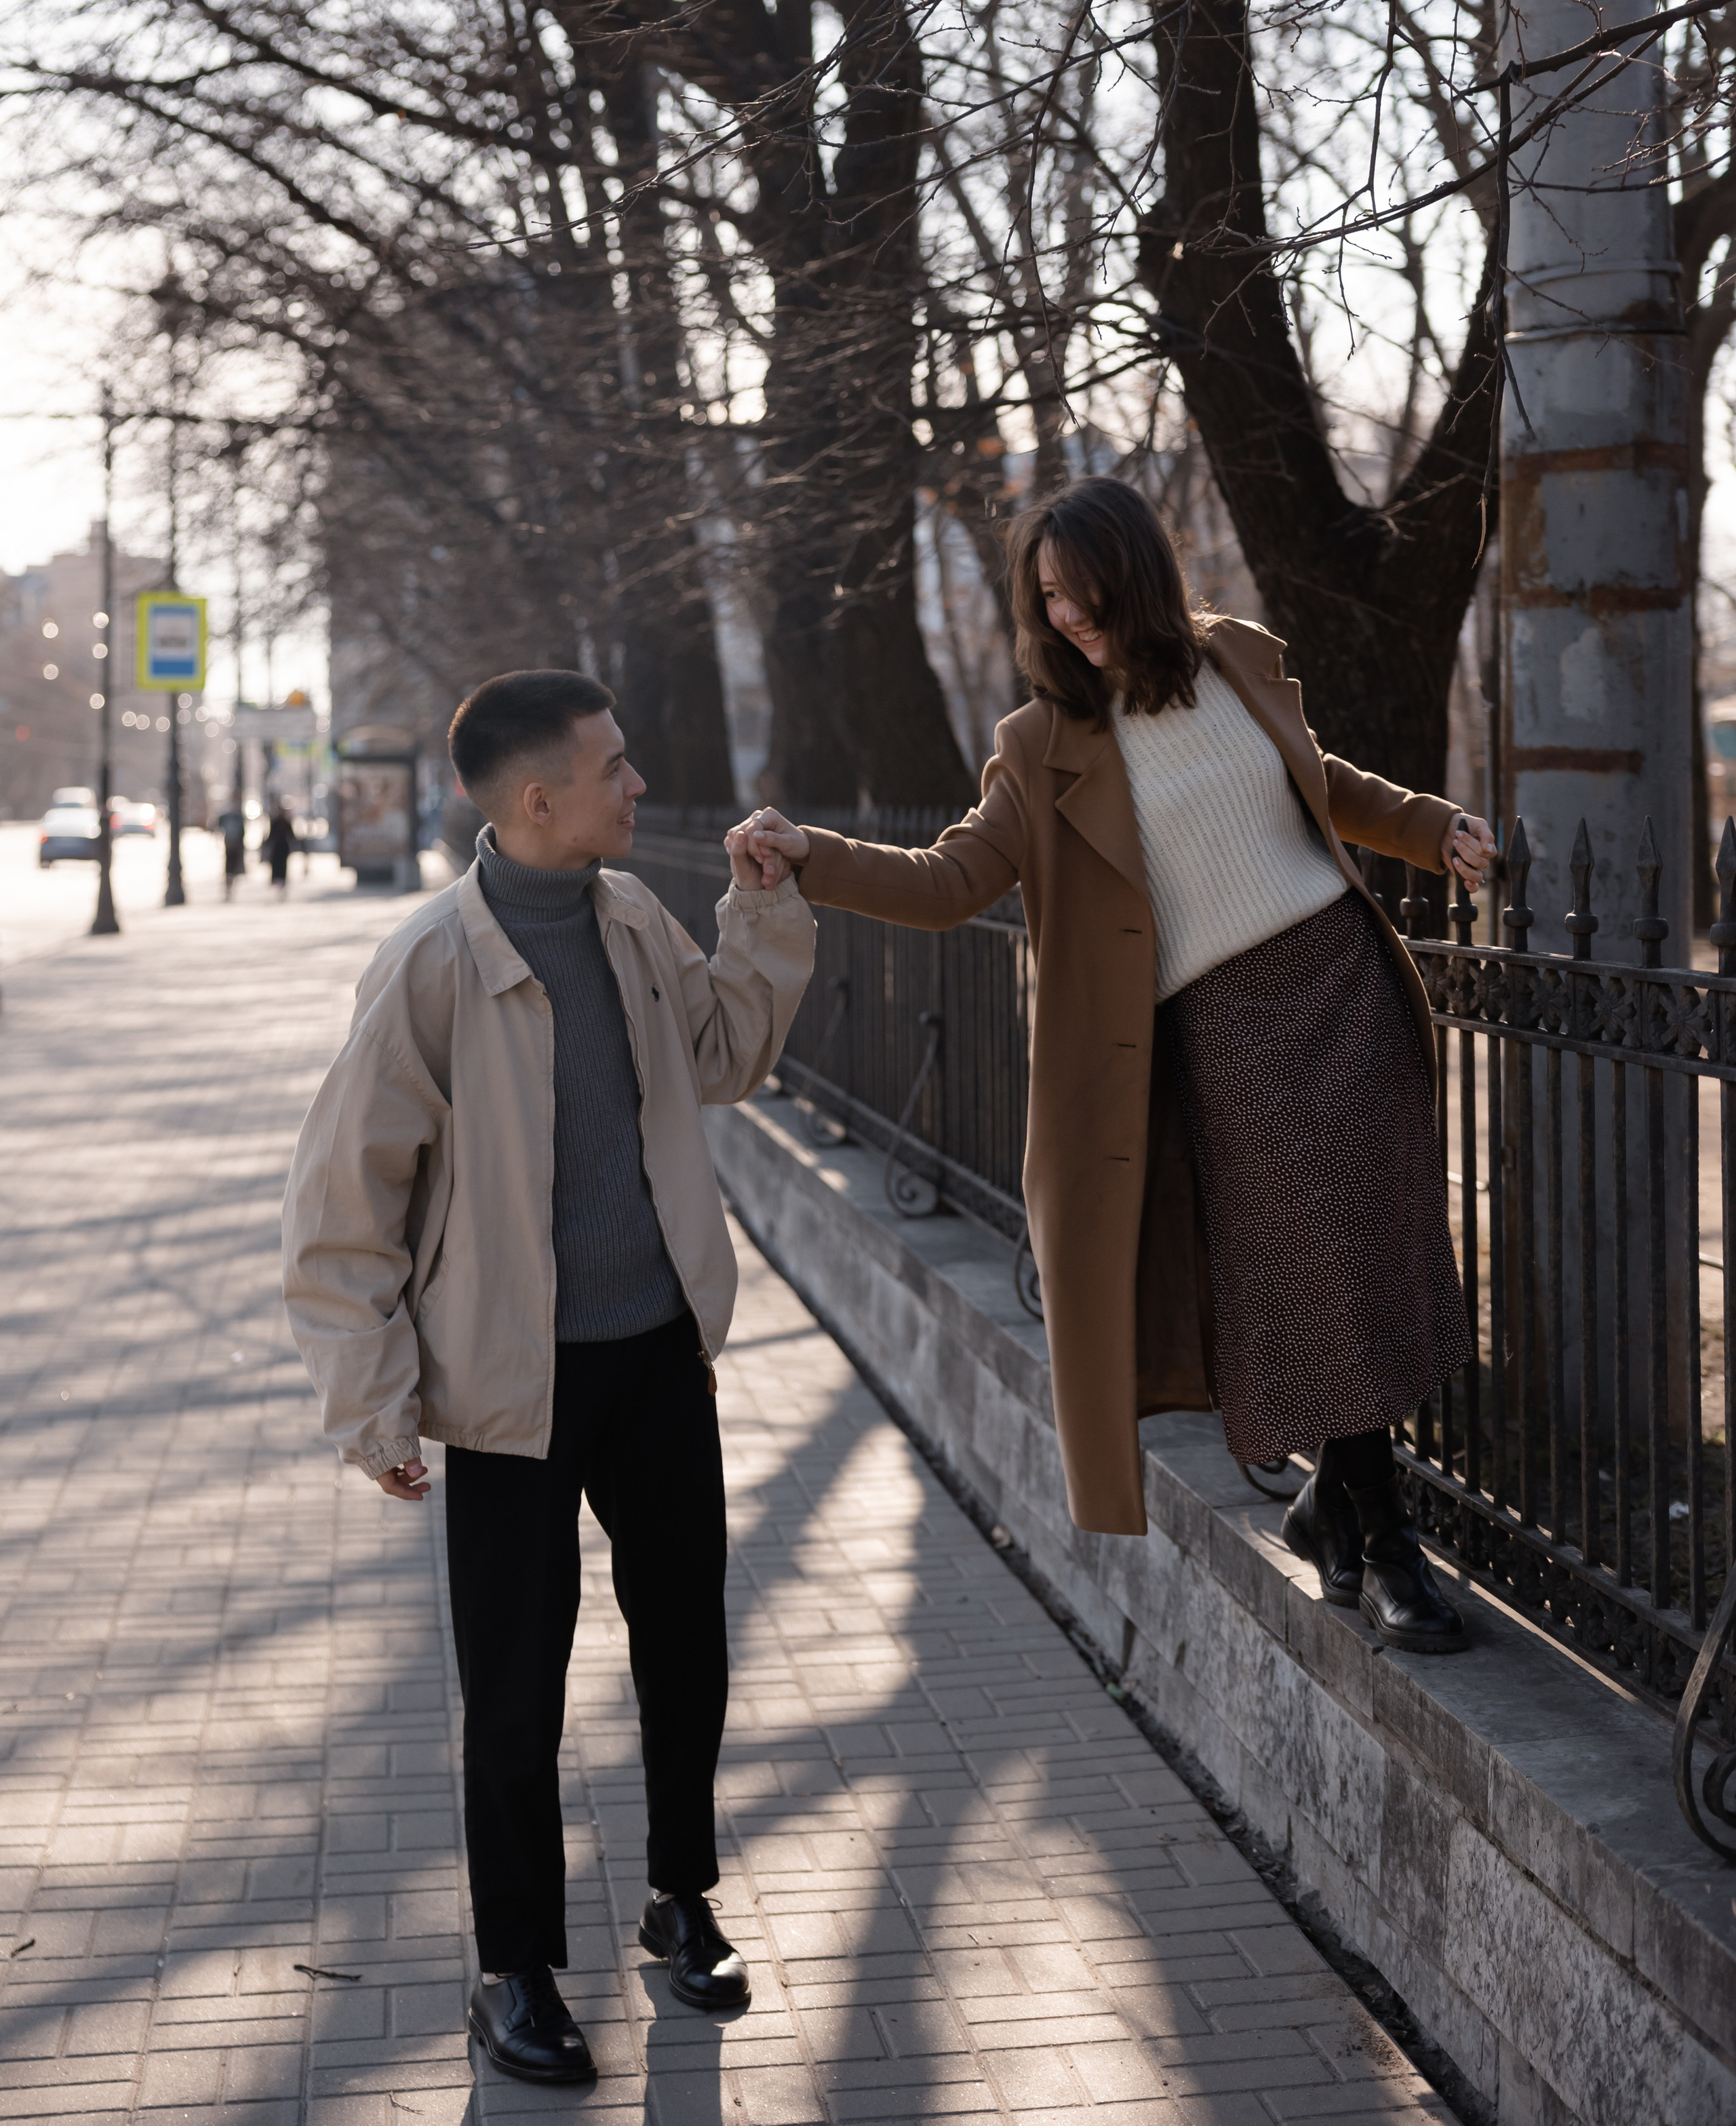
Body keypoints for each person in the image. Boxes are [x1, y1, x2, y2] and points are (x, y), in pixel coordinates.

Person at [738, 476, 1494, 1656]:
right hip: (1227, 1029)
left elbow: (1321, 782)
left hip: (1345, 987)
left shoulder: (1238, 657)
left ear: (1138, 579)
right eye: (1049, 600)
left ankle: (1335, 1509)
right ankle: (1387, 1544)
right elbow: (949, 881)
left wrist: (1427, 824)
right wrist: (811, 857)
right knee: (1320, 1274)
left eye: (1088, 595)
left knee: (1371, 1261)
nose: (1071, 620)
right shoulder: (1041, 747)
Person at [283, 669, 815, 2087]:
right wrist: (373, 1402)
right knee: (516, 1688)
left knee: (686, 1641)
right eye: (615, 767)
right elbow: (344, 1203)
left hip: (652, 1358)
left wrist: (759, 907)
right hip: (510, 1389)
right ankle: (512, 1968)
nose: (639, 785)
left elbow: (722, 1053)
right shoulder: (431, 967)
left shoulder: (632, 917)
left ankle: (676, 1899)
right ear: (537, 800)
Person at [264, 800, 297, 897]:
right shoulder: (276, 822)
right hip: (279, 847)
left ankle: (281, 884)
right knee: (279, 866)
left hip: (281, 847)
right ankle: (279, 883)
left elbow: (292, 835)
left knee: (281, 866)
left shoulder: (284, 822)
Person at [216, 798, 247, 899]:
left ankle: (230, 886)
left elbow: (243, 832)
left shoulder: (237, 817)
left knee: (231, 867)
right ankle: (229, 886)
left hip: (233, 845)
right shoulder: (230, 817)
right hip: (230, 845)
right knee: (230, 867)